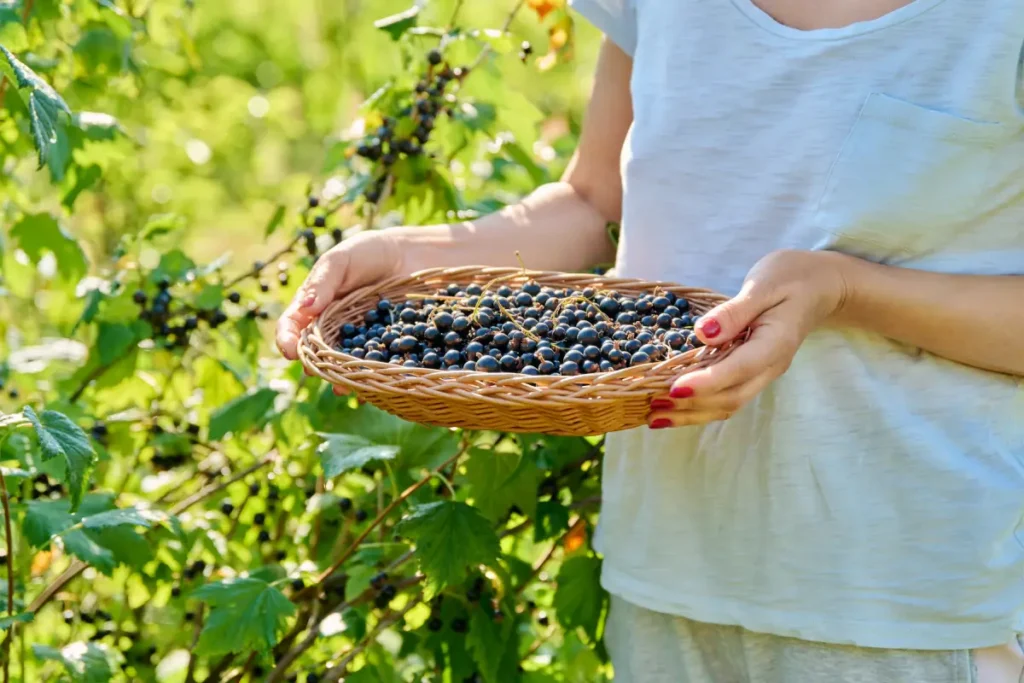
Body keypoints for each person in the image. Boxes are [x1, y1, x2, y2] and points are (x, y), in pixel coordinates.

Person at [277, 0, 1024, 680]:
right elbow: (592, 200)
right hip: (669, 576)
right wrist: (412, 253)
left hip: (907, 603)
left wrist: (843, 290)